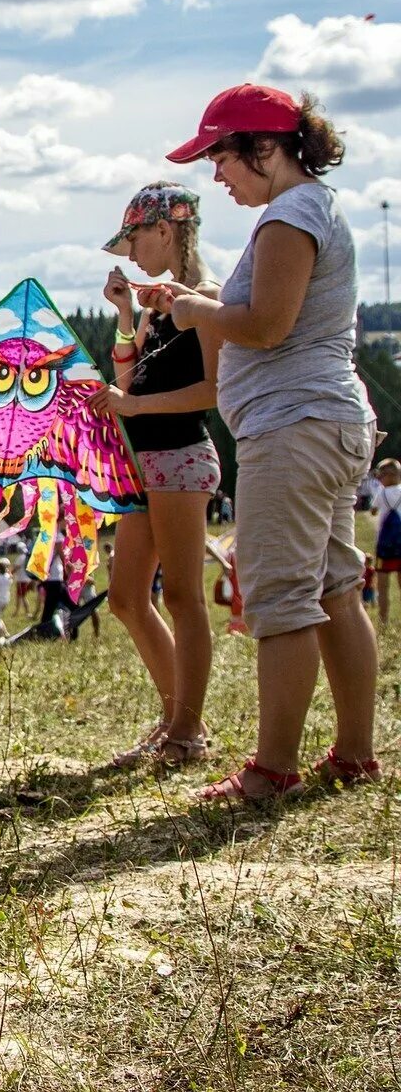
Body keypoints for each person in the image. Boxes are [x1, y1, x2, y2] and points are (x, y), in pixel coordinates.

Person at [143, 82, 379, 800]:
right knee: (336, 589)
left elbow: (267, 325)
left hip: (293, 428)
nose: (217, 174)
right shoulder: (309, 209)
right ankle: (353, 753)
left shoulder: (291, 214)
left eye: (223, 158)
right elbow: (265, 312)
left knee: (281, 600)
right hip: (323, 423)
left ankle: (272, 769)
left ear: (266, 149)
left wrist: (193, 310)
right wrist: (197, 303)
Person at [88, 183, 222, 767]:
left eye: (136, 238)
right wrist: (124, 314)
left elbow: (213, 391)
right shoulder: (155, 306)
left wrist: (134, 408)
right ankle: (176, 717)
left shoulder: (209, 299)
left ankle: (186, 732)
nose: (132, 253)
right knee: (126, 597)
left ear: (166, 231)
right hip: (144, 465)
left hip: (179, 460)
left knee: (185, 598)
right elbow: (128, 370)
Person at [367, 459, 401, 625]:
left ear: (389, 476)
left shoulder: (381, 493)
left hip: (384, 546)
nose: (379, 479)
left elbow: (373, 511)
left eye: (381, 475)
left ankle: (384, 619)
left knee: (383, 584)